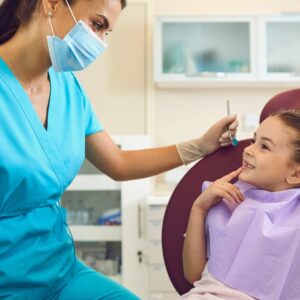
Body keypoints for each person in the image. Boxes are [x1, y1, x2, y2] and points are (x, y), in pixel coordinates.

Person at [0, 0, 238, 299]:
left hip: (59, 271)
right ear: (50, 4)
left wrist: (199, 146)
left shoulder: (66, 87)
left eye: (106, 33)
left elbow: (119, 163)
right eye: (97, 25)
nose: (99, 43)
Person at [182, 110, 300, 300]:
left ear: (296, 174)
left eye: (265, 147)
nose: (248, 149)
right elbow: (193, 275)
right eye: (254, 140)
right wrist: (199, 209)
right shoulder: (227, 198)